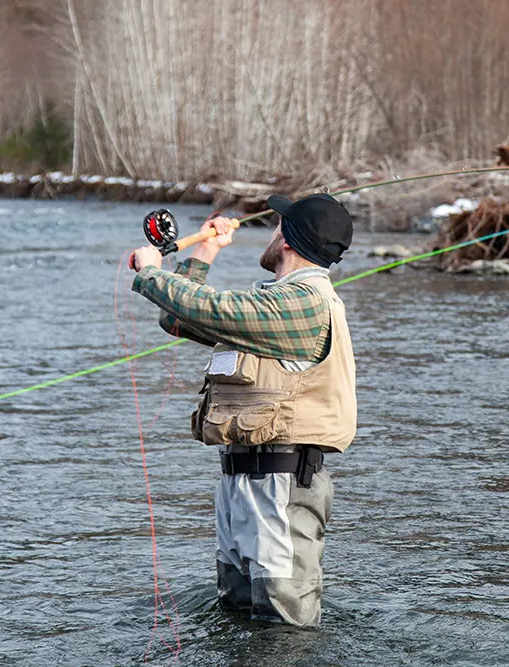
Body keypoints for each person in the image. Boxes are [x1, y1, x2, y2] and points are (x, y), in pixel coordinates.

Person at [129, 193, 357, 627]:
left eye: (277, 227)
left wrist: (152, 273)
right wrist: (206, 249)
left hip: (282, 486)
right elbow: (178, 319)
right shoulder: (272, 307)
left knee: (284, 628)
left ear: (288, 241)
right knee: (240, 618)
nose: (270, 234)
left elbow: (211, 307)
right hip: (244, 483)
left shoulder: (303, 303)